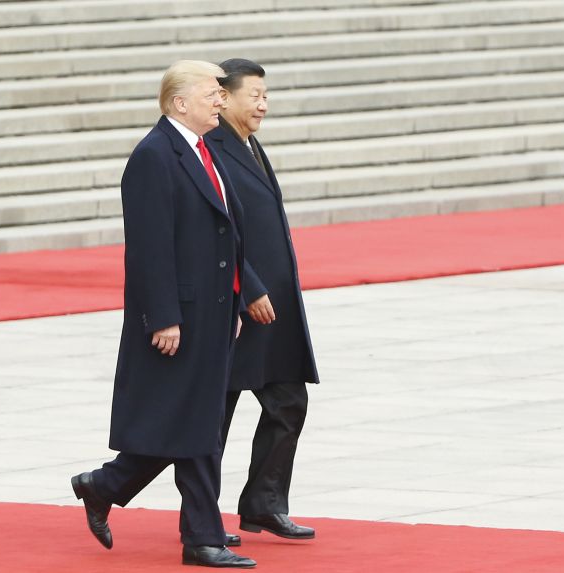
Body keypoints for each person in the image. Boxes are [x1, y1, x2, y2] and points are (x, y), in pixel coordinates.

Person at [70, 60, 256, 569]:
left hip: (215, 312)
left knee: (195, 422)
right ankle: (198, 535)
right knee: (192, 424)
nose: (221, 101)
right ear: (179, 103)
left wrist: (237, 298)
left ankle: (111, 488)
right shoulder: (155, 156)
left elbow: (226, 236)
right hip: (182, 318)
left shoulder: (202, 150)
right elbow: (149, 248)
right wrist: (164, 317)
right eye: (211, 93)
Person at [206, 58, 320, 540]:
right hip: (238, 304)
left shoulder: (247, 144)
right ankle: (200, 514)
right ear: (224, 97)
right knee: (217, 413)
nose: (263, 105)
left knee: (288, 400)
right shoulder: (209, 148)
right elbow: (215, 230)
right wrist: (247, 286)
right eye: (254, 95)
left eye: (265, 96)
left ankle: (263, 502)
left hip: (275, 308)